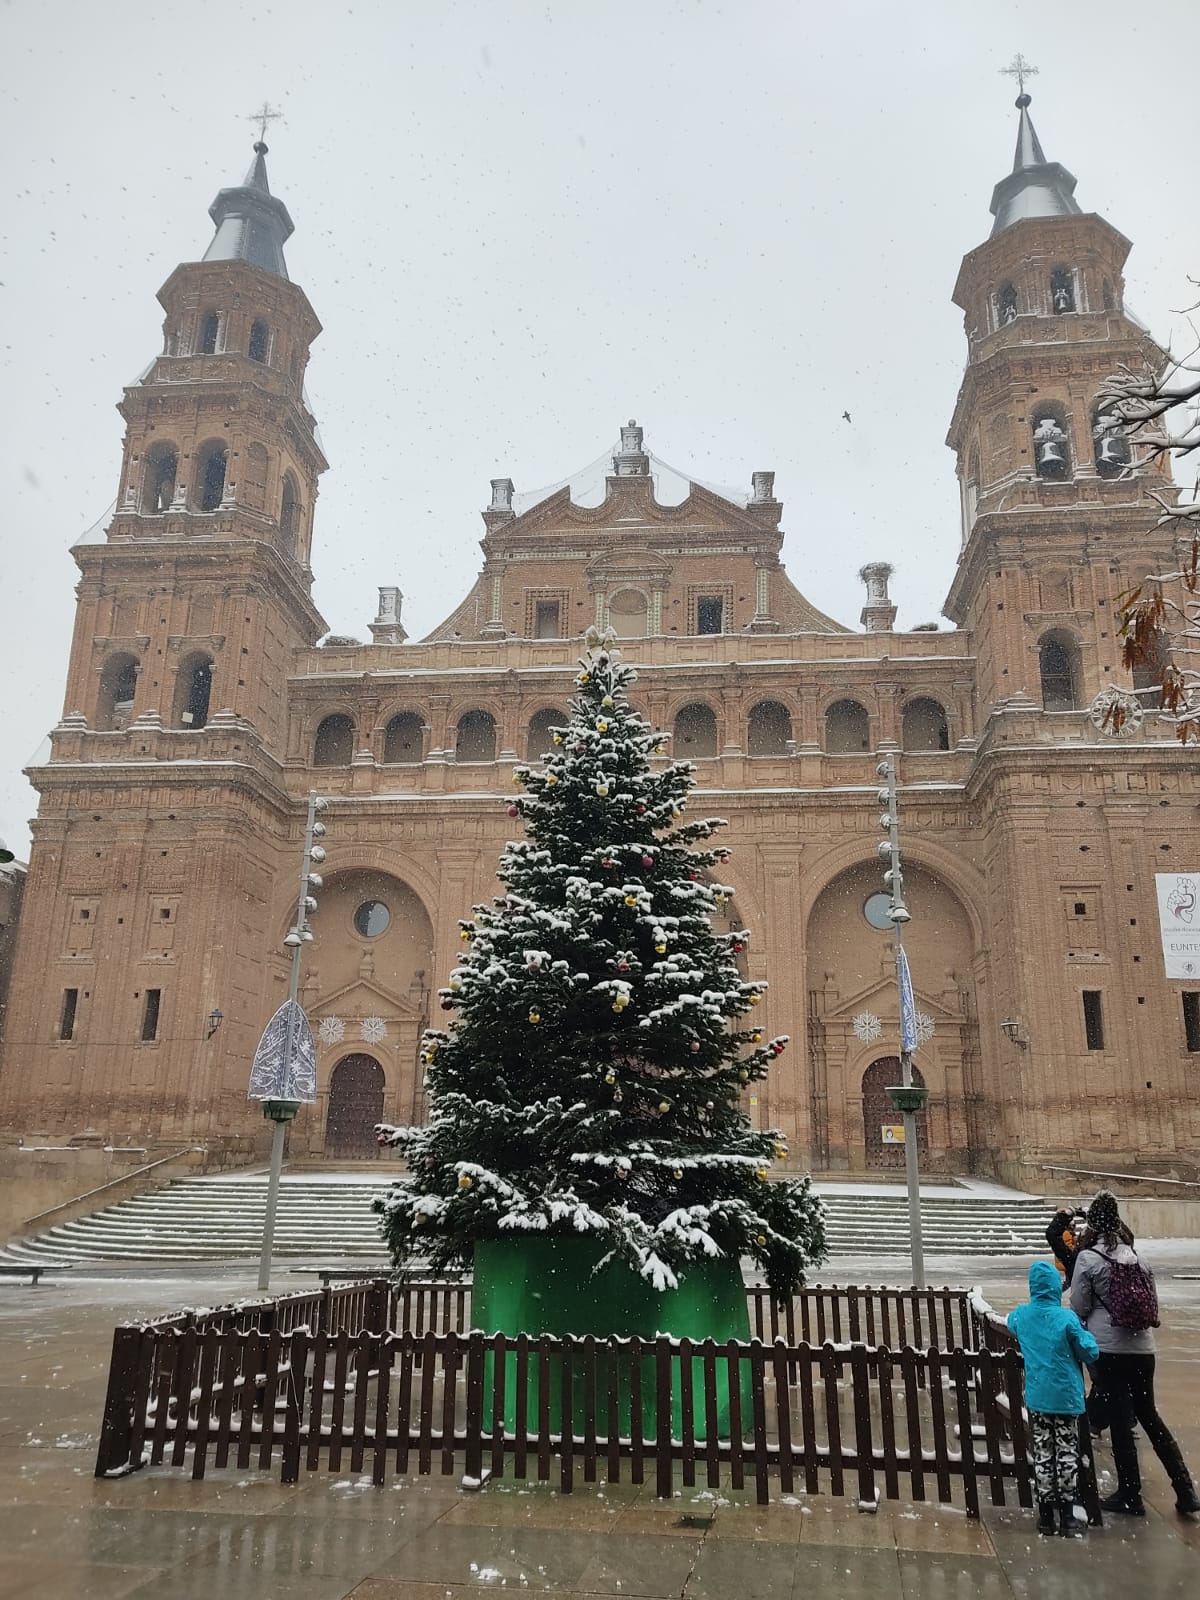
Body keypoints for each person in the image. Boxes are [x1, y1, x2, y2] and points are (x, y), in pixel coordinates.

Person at [1070, 1190, 1200, 1518]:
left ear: (1093, 1224)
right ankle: (1185, 1489)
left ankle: (1130, 1494)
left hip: (1109, 1350)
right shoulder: (1137, 1256)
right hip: (1143, 1349)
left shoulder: (1089, 1258)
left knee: (1119, 1420)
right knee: (1150, 1417)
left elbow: (1079, 1304)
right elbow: (1151, 1299)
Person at [1008, 1259, 1100, 1535]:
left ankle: (1045, 1514)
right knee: (1067, 1452)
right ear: (1054, 1289)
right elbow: (1089, 1350)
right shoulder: (1066, 1318)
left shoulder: (1023, 1316)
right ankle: (1068, 1513)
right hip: (1067, 1398)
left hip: (1038, 1397)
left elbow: (1012, 1321)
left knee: (1044, 1453)